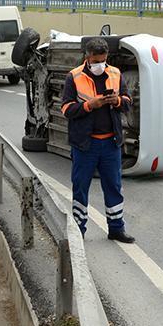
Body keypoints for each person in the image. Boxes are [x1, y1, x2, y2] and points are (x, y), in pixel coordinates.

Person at [61, 38, 135, 244]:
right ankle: (78, 231)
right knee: (81, 187)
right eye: (95, 60)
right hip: (85, 144)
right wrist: (89, 105)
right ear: (87, 57)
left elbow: (128, 102)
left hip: (111, 143)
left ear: (107, 58)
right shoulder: (74, 77)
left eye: (102, 60)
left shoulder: (115, 73)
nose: (99, 64)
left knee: (114, 186)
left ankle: (116, 229)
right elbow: (66, 109)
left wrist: (117, 101)